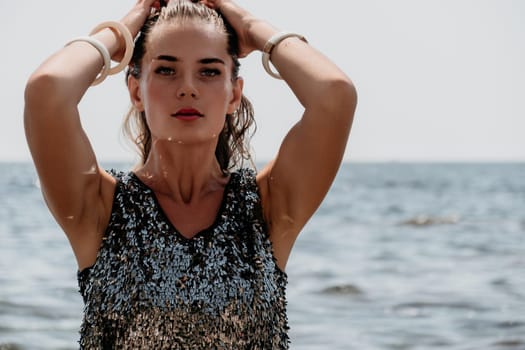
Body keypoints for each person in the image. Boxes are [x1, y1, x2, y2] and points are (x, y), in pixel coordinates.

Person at [24, 0, 357, 348]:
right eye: (166, 70)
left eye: (209, 71)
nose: (188, 88)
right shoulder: (99, 210)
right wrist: (122, 31)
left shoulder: (268, 208)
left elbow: (334, 94)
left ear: (234, 95)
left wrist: (251, 27)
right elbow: (47, 90)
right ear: (137, 91)